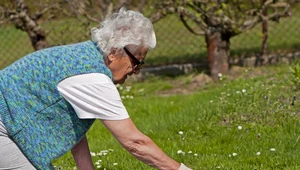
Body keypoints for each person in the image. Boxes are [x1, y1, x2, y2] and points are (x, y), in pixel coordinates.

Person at [0, 8, 192, 170]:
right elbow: (135, 143)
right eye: (136, 63)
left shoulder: (85, 55)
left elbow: (71, 122)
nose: (136, 72)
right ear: (115, 53)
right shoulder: (94, 79)